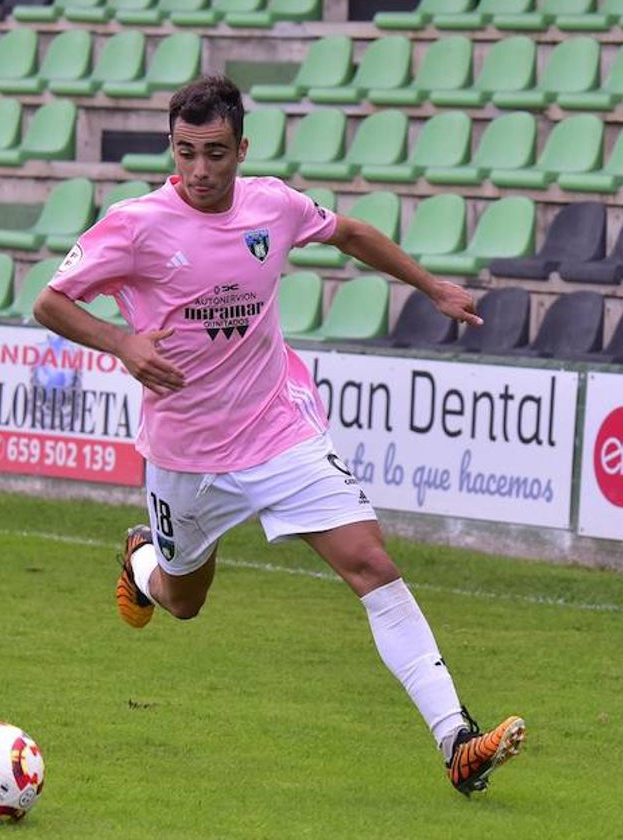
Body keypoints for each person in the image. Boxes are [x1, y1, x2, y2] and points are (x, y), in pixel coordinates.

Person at [33, 76, 526, 796]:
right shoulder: (136, 224)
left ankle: (455, 738)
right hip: (187, 455)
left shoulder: (274, 204)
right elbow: (50, 302)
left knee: (370, 563)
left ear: (242, 149)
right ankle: (140, 557)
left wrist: (431, 286)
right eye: (186, 152)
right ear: (171, 148)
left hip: (278, 429)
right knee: (181, 601)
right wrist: (122, 343)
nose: (200, 170)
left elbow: (350, 232)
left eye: (216, 153)